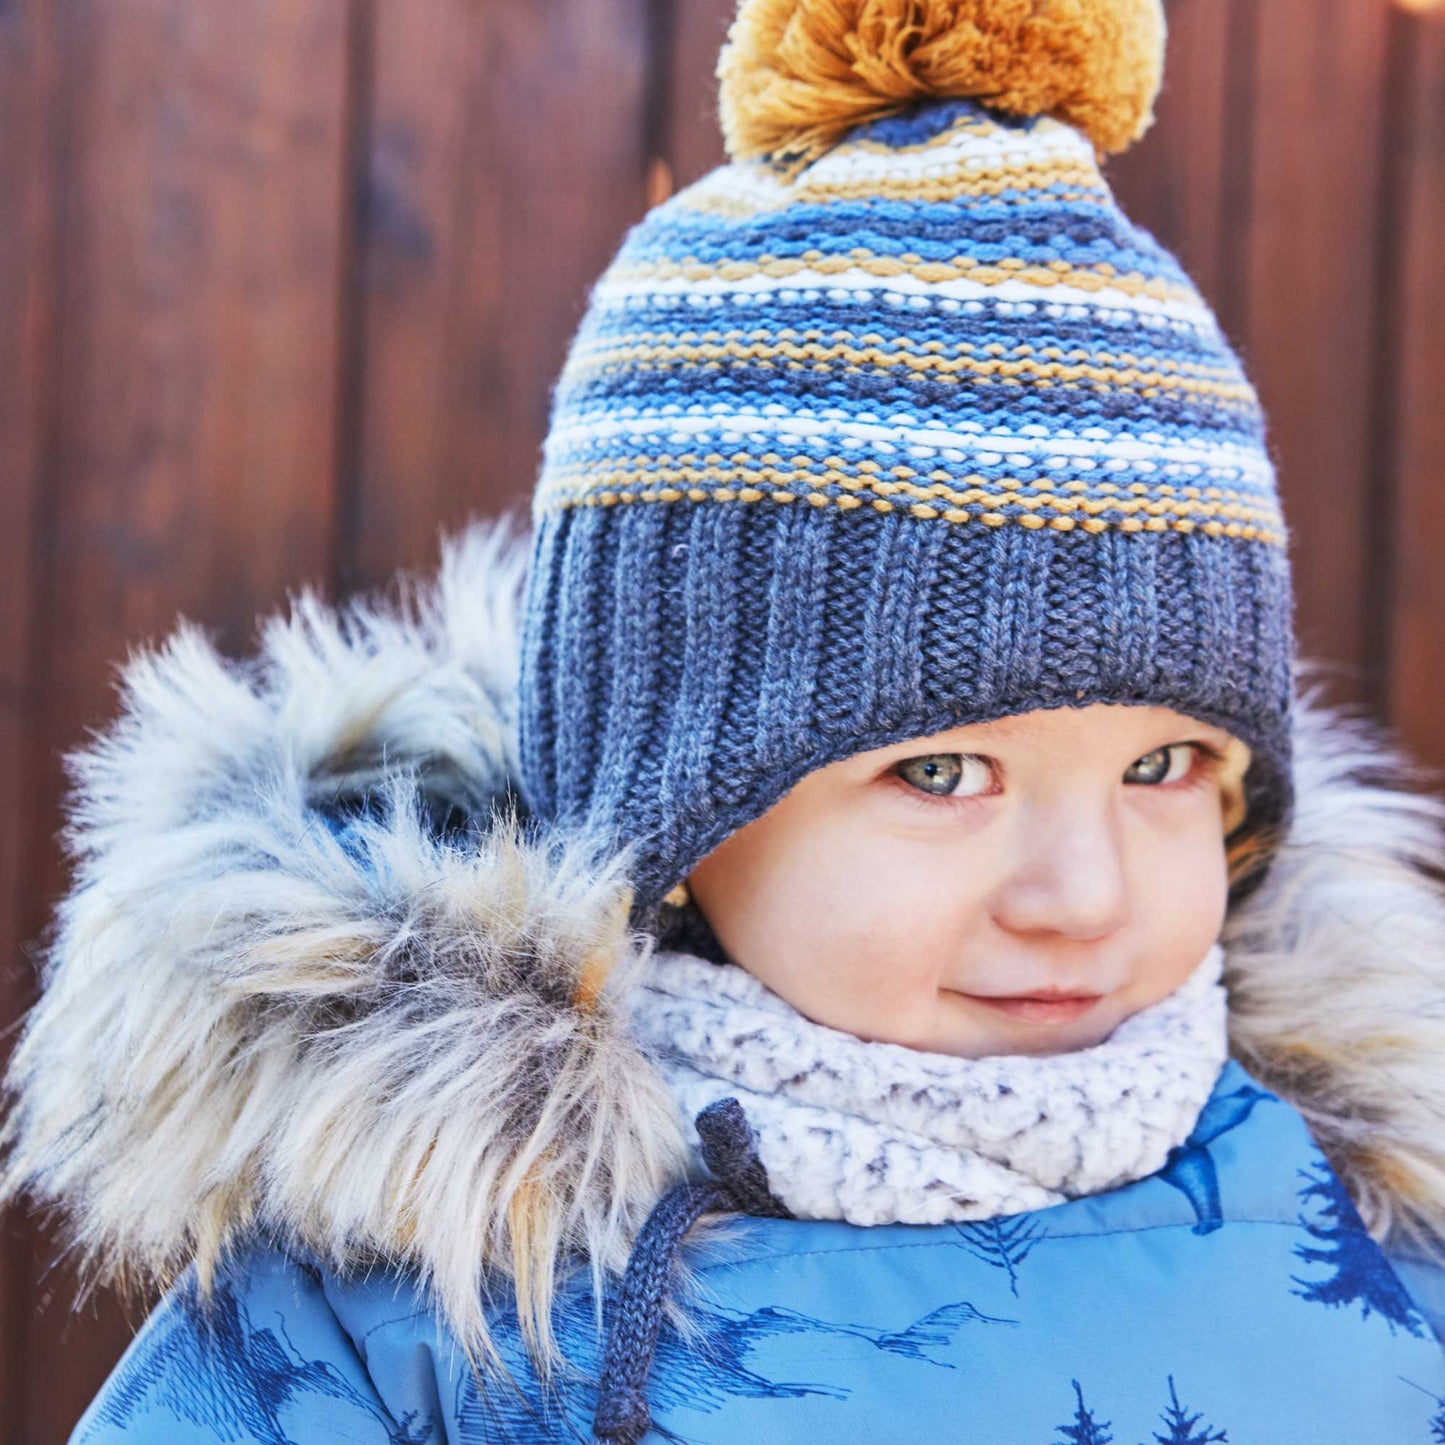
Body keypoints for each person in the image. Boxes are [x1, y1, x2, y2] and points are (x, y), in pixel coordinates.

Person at [5, 1, 1445, 1440]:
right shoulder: (418, 1291)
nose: (1081, 892)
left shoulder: (1378, 1226)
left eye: (1162, 763)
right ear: (673, 818)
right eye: (941, 771)